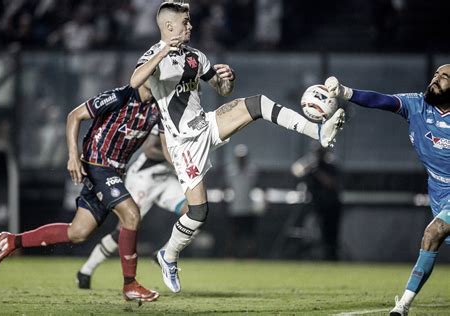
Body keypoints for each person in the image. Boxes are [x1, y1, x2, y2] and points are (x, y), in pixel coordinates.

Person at [129, 0, 345, 293]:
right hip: (183, 145)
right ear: (169, 27)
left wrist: (227, 79)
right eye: (185, 22)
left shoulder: (195, 57)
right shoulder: (154, 55)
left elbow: (221, 89)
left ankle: (318, 131)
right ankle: (168, 255)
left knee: (257, 104)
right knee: (198, 212)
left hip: (205, 126)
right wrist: (164, 50)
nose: (190, 26)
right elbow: (135, 81)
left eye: (189, 22)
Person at [0, 84, 162, 302]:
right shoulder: (120, 96)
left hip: (114, 170)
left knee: (78, 232)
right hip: (97, 164)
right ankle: (130, 284)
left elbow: (168, 141)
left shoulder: (158, 107)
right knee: (132, 215)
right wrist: (72, 156)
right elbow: (74, 116)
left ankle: (12, 241)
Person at [324, 64, 450, 316]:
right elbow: (382, 101)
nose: (435, 79)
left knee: (432, 233)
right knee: (435, 235)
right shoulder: (417, 105)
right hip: (438, 191)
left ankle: (402, 305)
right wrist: (346, 92)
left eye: (444, 77)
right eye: (436, 74)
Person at [76, 129, 188, 289]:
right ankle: (86, 271)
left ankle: (164, 254)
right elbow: (149, 149)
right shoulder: (162, 115)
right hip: (144, 178)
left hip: (165, 177)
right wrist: (176, 159)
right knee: (124, 229)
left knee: (195, 212)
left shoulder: (189, 117)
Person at [291, 143, 342, 260]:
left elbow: (331, 183)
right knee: (311, 232)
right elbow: (296, 170)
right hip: (316, 204)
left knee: (330, 234)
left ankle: (331, 258)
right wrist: (309, 167)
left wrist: (317, 172)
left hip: (331, 205)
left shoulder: (331, 164)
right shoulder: (311, 164)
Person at [224, 144, 261, 258]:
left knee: (249, 235)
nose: (241, 159)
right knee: (233, 234)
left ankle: (251, 256)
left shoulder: (252, 170)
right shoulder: (230, 170)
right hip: (234, 208)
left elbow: (257, 185)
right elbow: (226, 186)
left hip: (248, 208)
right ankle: (231, 255)